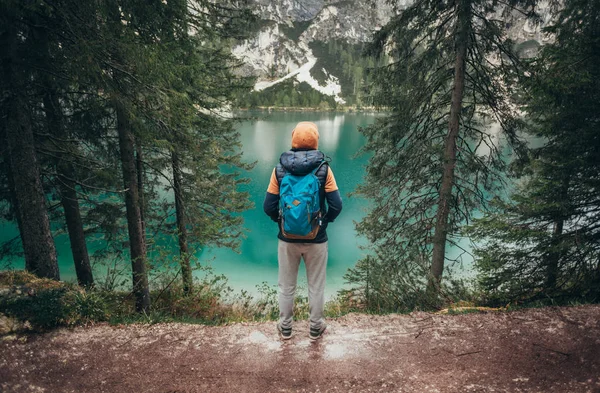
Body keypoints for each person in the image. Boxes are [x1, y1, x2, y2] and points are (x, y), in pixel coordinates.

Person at [263, 121, 343, 340]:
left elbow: (268, 206)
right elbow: (336, 205)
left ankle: (286, 327)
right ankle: (316, 328)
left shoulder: (279, 169)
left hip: (287, 238)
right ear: (316, 141)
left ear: (293, 140)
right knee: (316, 286)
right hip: (317, 239)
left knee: (286, 286)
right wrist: (323, 223)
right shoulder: (324, 169)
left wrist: (280, 222)